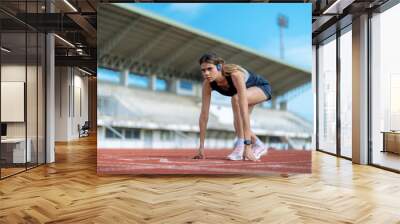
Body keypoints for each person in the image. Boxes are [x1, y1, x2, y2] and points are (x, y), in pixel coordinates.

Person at [193, 52, 272, 161]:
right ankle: (259, 144)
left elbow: (243, 109)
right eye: (203, 70)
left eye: (209, 69)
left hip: (261, 88)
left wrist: (247, 146)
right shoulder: (207, 84)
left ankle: (241, 145)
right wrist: (201, 148)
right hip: (243, 94)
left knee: (236, 99)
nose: (206, 73)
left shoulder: (235, 75)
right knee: (238, 118)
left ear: (219, 66)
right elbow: (204, 115)